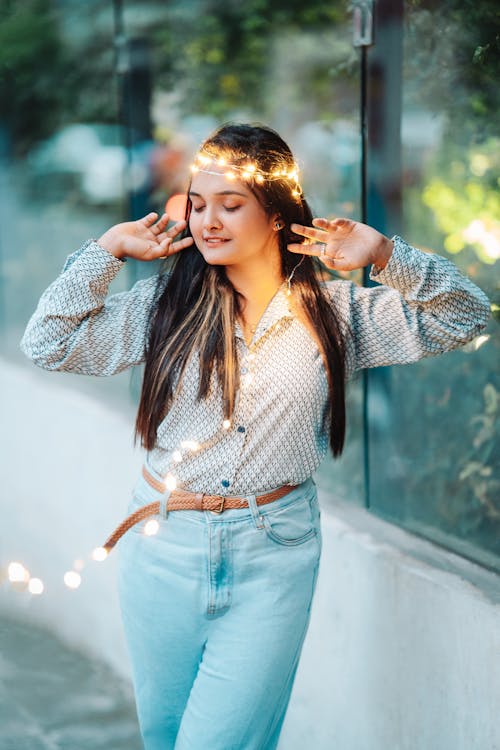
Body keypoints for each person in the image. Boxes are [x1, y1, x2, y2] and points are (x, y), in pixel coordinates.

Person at [20, 123, 490, 750]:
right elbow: (45, 342)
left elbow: (468, 313)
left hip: (275, 550)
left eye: (231, 205)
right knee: (166, 741)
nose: (209, 221)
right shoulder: (164, 305)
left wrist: (384, 255)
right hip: (164, 547)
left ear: (275, 214)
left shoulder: (337, 314)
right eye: (199, 203)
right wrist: (107, 250)